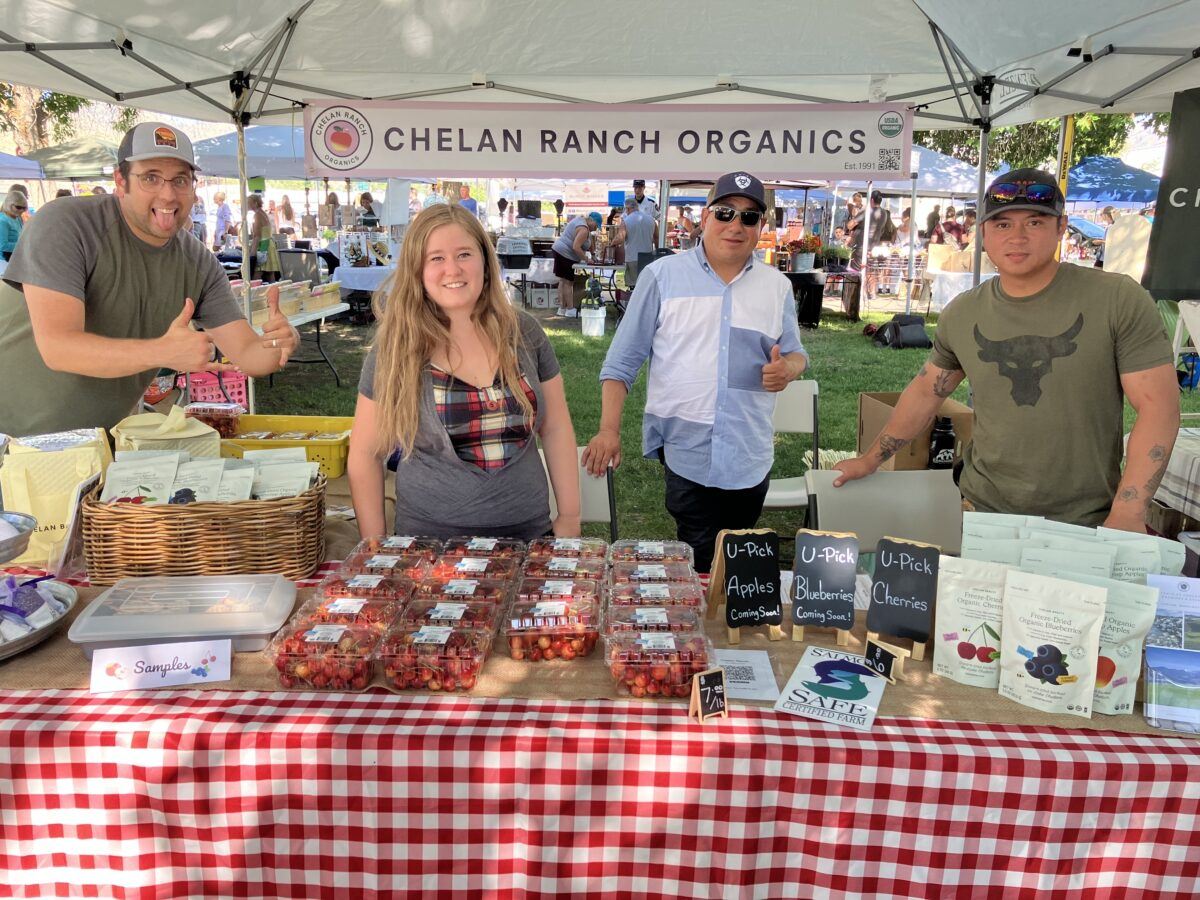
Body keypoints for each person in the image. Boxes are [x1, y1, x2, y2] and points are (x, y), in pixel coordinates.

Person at [833, 168, 1179, 531]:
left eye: (1034, 222)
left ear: (1061, 227)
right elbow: (926, 391)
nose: (1017, 237)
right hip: (981, 510)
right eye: (1002, 224)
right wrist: (870, 459)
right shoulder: (965, 312)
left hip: (1087, 520)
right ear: (982, 233)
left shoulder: (1116, 299)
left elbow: (1159, 406)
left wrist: (1129, 510)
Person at [0, 121, 300, 438]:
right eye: (151, 178)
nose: (168, 194)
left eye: (180, 180)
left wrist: (279, 343)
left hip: (97, 447)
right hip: (9, 439)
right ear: (121, 181)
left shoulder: (198, 263)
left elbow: (249, 355)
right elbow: (59, 348)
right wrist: (162, 352)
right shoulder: (67, 224)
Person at [582, 171, 809, 572]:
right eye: (725, 213)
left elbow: (795, 353)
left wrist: (788, 370)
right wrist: (607, 429)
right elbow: (622, 360)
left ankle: (722, 629)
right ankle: (702, 627)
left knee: (738, 561)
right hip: (686, 449)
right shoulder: (662, 277)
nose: (736, 225)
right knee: (700, 554)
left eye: (750, 217)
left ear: (761, 228)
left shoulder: (776, 287)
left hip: (749, 452)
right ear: (704, 218)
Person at [347, 203, 581, 540]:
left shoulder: (525, 332)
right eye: (436, 258)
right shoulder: (396, 347)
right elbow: (366, 453)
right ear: (417, 269)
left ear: (485, 261)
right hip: (428, 551)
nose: (452, 270)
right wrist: (376, 547)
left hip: (530, 542)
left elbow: (556, 427)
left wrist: (570, 518)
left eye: (464, 254)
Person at [550, 210, 600, 318]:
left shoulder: (581, 222)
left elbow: (589, 241)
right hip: (565, 254)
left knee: (562, 281)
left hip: (558, 250)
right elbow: (576, 247)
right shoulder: (584, 229)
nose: (596, 228)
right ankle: (570, 309)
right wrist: (587, 259)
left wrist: (593, 254)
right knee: (568, 282)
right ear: (592, 221)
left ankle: (562, 308)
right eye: (596, 225)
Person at [615, 196, 657, 288]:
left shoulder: (626, 221)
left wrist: (611, 243)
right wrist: (656, 253)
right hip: (647, 257)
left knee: (633, 288)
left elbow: (620, 238)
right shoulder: (651, 220)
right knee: (645, 287)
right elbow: (656, 238)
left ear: (628, 208)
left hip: (632, 258)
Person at [247, 194, 281, 283]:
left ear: (255, 203)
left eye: (249, 203)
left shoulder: (257, 215)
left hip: (263, 245)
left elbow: (257, 236)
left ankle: (254, 295)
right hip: (269, 244)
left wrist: (252, 252)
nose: (247, 205)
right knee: (270, 273)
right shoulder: (263, 213)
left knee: (257, 273)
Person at [0, 189, 27, 261]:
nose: (21, 210)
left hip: (16, 257)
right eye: (18, 207)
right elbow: (2, 246)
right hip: (4, 260)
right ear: (9, 205)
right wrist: (24, 245)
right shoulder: (2, 221)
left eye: (24, 208)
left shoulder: (18, 218)